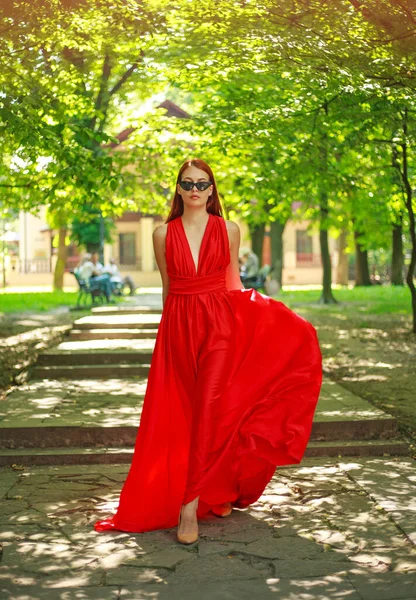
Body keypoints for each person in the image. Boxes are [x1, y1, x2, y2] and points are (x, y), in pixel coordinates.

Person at [94, 159, 322, 545]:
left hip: (219, 326)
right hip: (178, 328)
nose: (196, 190)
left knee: (211, 409)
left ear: (212, 190)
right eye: (188, 183)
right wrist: (165, 337)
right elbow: (169, 288)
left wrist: (256, 322)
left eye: (203, 184)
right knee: (185, 414)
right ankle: (215, 491)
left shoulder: (228, 229)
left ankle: (188, 508)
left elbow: (233, 281)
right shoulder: (162, 234)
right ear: (179, 189)